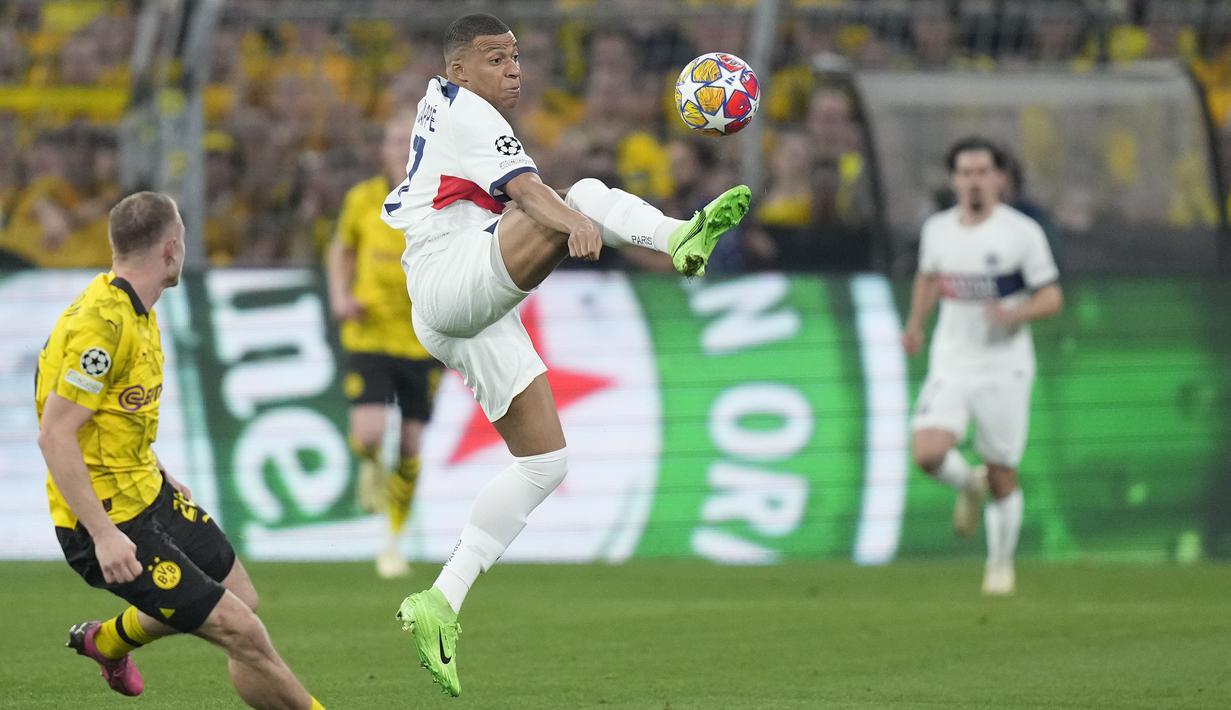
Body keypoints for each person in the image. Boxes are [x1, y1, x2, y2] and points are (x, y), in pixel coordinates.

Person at [380, 13, 749, 697]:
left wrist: (568, 218)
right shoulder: (462, 109)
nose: (512, 70)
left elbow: (517, 194)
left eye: (516, 57)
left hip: (452, 305)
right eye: (495, 59)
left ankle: (439, 602)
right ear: (458, 69)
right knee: (578, 195)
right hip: (449, 279)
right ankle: (678, 239)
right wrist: (576, 222)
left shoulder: (453, 104)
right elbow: (527, 192)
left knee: (544, 461)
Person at [36, 192, 325, 709]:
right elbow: (56, 434)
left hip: (147, 492)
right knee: (245, 634)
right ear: (171, 251)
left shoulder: (135, 309)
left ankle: (107, 641)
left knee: (244, 602)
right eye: (185, 243)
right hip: (107, 519)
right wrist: (103, 535)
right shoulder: (100, 328)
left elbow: (111, 419)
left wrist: (160, 471)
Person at [901, 137, 1063, 596]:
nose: (974, 180)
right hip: (952, 359)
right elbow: (929, 277)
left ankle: (999, 565)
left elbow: (1051, 297)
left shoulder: (1021, 234)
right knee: (928, 453)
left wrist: (1015, 314)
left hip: (1004, 366)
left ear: (999, 179)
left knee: (1001, 472)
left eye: (982, 171)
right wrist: (915, 325)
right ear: (955, 180)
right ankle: (965, 487)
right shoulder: (938, 230)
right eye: (965, 172)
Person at [327, 114, 444, 579]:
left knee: (412, 443)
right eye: (394, 138)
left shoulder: (440, 198)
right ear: (383, 149)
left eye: (410, 139)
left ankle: (394, 541)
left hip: (423, 336)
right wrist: (339, 294)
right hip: (371, 333)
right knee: (370, 433)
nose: (401, 146)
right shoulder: (362, 199)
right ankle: (370, 464)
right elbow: (341, 248)